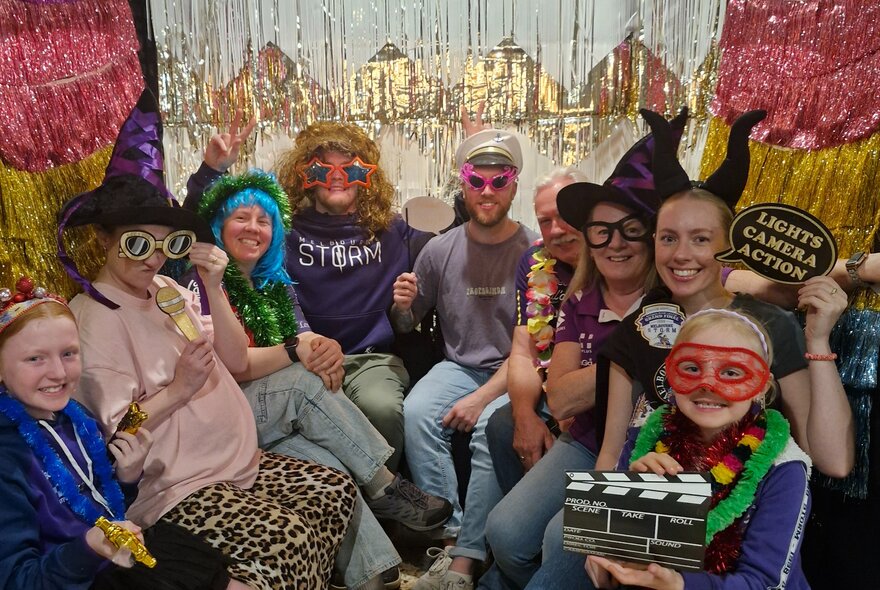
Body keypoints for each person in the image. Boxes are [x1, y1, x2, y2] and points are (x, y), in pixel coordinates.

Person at [59, 91, 357, 589]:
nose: (153, 259)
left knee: (333, 489)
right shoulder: (92, 319)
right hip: (180, 488)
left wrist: (214, 286)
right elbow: (113, 434)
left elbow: (235, 358)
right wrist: (178, 388)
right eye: (137, 243)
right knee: (288, 538)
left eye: (166, 244)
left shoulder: (168, 288)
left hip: (239, 461)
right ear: (104, 240)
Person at [185, 168, 452, 589]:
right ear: (218, 225)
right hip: (220, 413)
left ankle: (376, 574)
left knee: (335, 472)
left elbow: (299, 331)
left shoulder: (272, 282)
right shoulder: (199, 281)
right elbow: (233, 364)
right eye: (241, 218)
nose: (253, 228)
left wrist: (320, 347)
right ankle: (385, 486)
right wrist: (298, 351)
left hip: (266, 414)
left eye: (264, 220)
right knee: (301, 380)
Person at [482, 111, 686, 590]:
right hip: (592, 439)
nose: (615, 244)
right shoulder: (580, 298)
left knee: (560, 539)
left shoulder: (678, 292)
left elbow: (738, 288)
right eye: (601, 231)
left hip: (659, 451)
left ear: (653, 235)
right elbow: (564, 397)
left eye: (630, 230)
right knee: (505, 534)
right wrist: (638, 364)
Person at [595, 108, 854, 479]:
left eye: (700, 239)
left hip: (751, 506)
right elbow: (611, 454)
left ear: (730, 245)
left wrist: (819, 338)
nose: (681, 254)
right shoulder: (638, 328)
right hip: (663, 503)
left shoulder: (771, 325)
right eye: (669, 238)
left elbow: (834, 462)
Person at [0, 277, 243, 590]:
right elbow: (18, 581)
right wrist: (87, 549)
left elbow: (100, 503)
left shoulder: (76, 418)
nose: (59, 373)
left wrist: (126, 478)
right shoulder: (8, 459)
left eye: (69, 354)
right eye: (35, 358)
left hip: (114, 557)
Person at [392, 128, 537, 590]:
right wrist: (402, 304)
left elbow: (532, 351)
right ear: (463, 184)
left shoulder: (536, 253)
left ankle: (465, 560)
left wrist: (482, 399)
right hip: (458, 367)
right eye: (477, 181)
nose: (488, 191)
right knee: (415, 411)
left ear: (515, 185)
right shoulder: (440, 249)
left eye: (500, 181)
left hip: (515, 370)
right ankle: (451, 531)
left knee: (488, 435)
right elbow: (407, 324)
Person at [586, 309, 811, 589]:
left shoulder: (783, 468)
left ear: (761, 387)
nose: (708, 386)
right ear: (671, 373)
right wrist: (629, 503)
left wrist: (681, 585)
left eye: (731, 372)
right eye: (692, 368)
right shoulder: (647, 437)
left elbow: (765, 582)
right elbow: (619, 549)